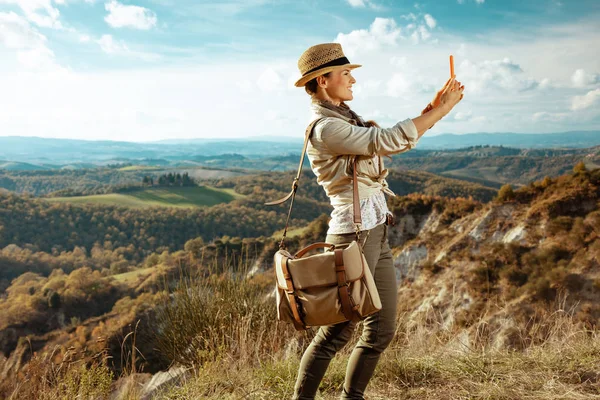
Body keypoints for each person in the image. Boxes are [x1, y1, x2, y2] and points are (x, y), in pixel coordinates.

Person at [291, 43, 464, 400]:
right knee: (338, 331)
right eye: (345, 74)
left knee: (381, 329)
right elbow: (386, 140)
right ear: (323, 80)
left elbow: (389, 140)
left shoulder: (344, 119)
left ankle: (351, 397)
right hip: (353, 235)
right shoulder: (326, 129)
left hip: (375, 230)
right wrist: (442, 111)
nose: (353, 79)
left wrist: (432, 108)